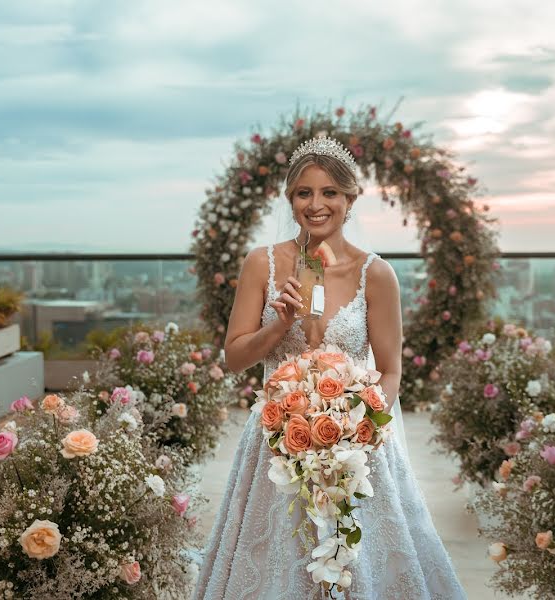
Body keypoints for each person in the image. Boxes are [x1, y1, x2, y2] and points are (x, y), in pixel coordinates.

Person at [191, 136, 467, 599]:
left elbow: (391, 370)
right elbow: (235, 357)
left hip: (356, 453)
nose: (316, 204)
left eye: (329, 193)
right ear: (290, 199)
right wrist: (278, 326)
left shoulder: (376, 274)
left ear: (350, 198)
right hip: (275, 447)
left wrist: (358, 429)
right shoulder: (263, 264)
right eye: (304, 193)